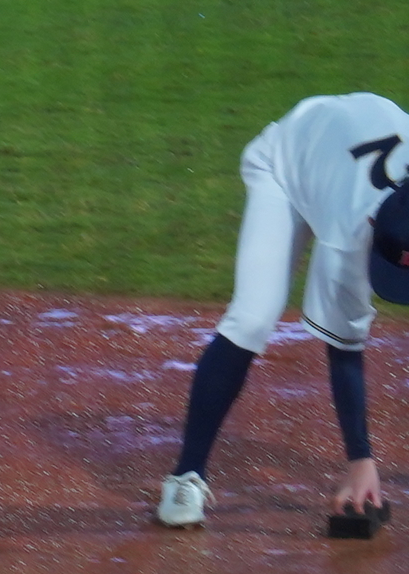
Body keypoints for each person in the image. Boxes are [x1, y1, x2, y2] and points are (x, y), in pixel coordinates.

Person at [153, 92, 409, 531]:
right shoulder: (347, 239)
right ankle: (186, 476)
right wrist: (360, 459)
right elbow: (343, 350)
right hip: (286, 163)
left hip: (344, 143)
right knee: (251, 318)